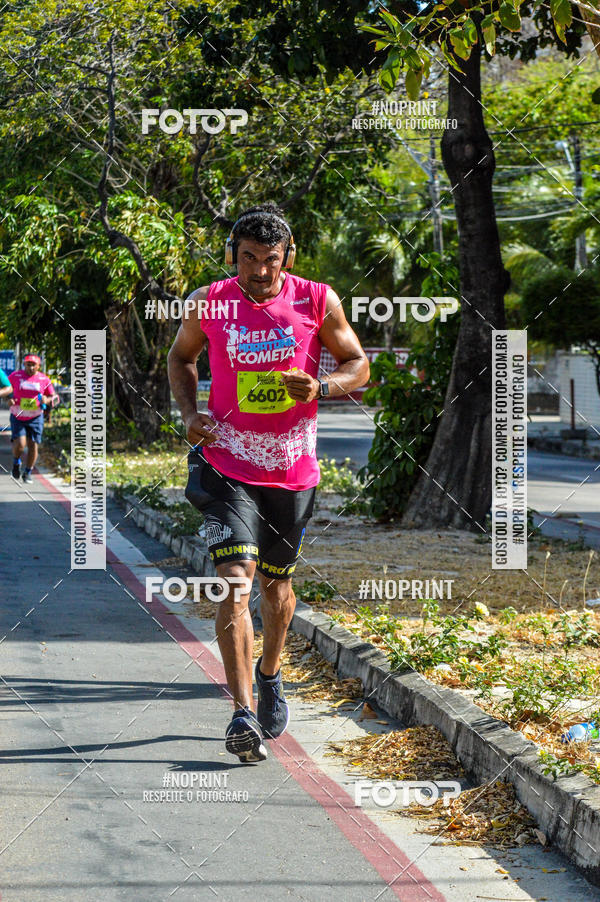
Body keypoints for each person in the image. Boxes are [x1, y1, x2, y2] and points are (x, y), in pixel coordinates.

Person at [168, 203, 370, 762]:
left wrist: (322, 387)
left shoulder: (317, 299)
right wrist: (189, 413)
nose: (260, 270)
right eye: (249, 258)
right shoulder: (209, 301)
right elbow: (181, 359)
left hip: (291, 469)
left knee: (277, 590)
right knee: (236, 583)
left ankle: (271, 671)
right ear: (232, 255)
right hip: (226, 464)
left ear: (289, 258)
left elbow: (357, 363)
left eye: (271, 260)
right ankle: (241, 712)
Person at [9, 354, 55, 483]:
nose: (31, 367)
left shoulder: (44, 379)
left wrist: (47, 400)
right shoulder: (15, 376)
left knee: (33, 445)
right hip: (18, 415)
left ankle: (28, 472)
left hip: (36, 417)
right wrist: (8, 398)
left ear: (39, 366)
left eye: (34, 365)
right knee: (20, 444)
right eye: (28, 364)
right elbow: (6, 389)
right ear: (24, 365)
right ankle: (16, 463)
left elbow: (54, 397)